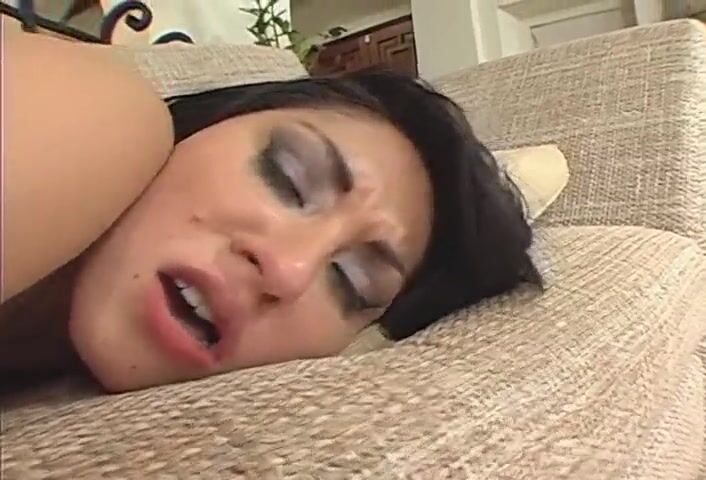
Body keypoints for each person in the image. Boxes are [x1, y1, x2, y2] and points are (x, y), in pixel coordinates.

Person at [0, 27, 540, 393]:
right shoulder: (109, 110)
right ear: (201, 127)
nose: (288, 269)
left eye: (350, 282)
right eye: (289, 178)